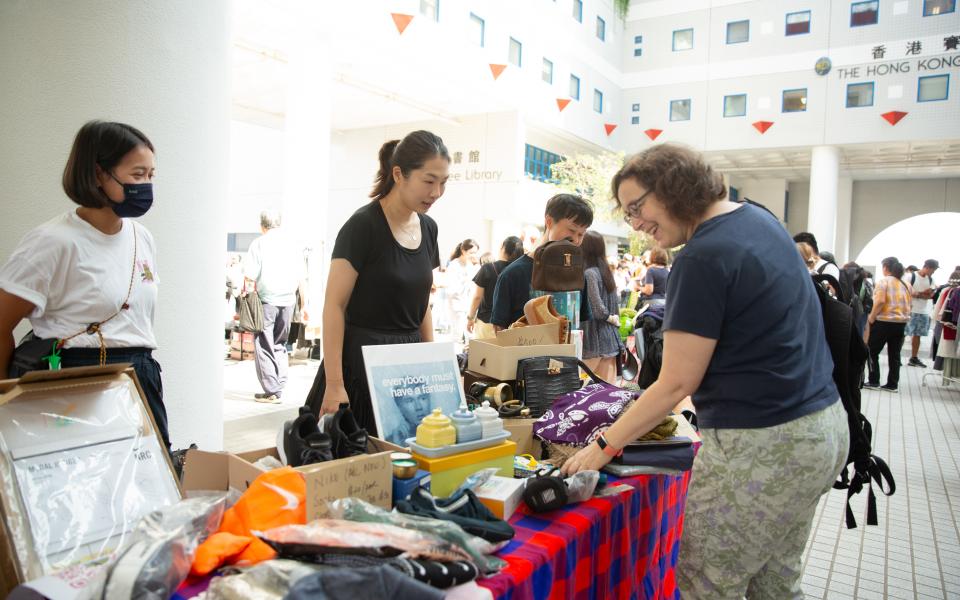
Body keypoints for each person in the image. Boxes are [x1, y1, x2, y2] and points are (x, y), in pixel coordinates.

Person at [561, 144, 847, 600]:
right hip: (819, 430)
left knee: (708, 584)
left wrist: (603, 445)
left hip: (761, 445)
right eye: (628, 212)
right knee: (775, 581)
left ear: (674, 187)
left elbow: (676, 382)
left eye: (638, 207)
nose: (635, 223)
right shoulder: (757, 218)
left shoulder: (703, 255)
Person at [0, 120, 171, 449]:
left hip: (140, 378)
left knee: (148, 486)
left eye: (151, 175)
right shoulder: (52, 242)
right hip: (76, 380)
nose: (147, 185)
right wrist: (7, 401)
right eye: (137, 175)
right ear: (97, 174)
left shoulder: (142, 237)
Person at [304, 131, 450, 434]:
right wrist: (334, 385)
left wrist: (431, 365)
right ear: (399, 174)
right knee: (358, 465)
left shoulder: (429, 228)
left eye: (443, 182)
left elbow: (421, 304)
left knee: (407, 465)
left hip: (407, 366)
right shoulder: (363, 226)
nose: (436, 192)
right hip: (359, 366)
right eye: (429, 180)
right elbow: (334, 305)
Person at [489, 194, 594, 329]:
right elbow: (499, 329)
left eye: (581, 234)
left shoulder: (577, 275)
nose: (576, 240)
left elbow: (581, 324)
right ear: (549, 222)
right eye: (572, 230)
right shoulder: (512, 275)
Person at [243, 209, 307, 404]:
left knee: (263, 344)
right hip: (288, 302)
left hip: (267, 302)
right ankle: (279, 385)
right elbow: (301, 278)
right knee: (280, 344)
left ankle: (272, 390)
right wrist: (304, 305)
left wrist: (245, 299)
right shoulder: (292, 244)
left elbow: (249, 277)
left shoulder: (259, 243)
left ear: (262, 226)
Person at [864, 256, 911, 392]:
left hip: (883, 322)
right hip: (900, 323)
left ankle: (874, 381)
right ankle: (892, 384)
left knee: (872, 351)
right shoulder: (906, 284)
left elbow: (879, 302)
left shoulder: (883, 282)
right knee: (895, 354)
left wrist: (871, 318)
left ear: (885, 267)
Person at [580, 231, 623, 382]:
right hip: (610, 341)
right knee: (609, 392)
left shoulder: (589, 274)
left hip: (594, 343)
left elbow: (597, 310)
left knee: (584, 391)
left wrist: (608, 317)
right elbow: (614, 307)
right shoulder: (606, 273)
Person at [467, 236, 523, 339]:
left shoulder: (487, 268)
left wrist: (470, 318)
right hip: (512, 324)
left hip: (487, 322)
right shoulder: (520, 270)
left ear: (503, 248)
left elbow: (477, 297)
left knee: (483, 353)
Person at [903, 258, 939, 368]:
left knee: (918, 335)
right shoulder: (911, 276)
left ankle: (914, 358)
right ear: (927, 267)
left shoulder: (930, 279)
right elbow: (907, 291)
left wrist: (919, 294)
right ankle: (896, 357)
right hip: (910, 309)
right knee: (903, 334)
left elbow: (931, 295)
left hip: (923, 311)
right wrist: (922, 294)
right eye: (933, 270)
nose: (933, 272)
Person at [443, 239, 479, 344]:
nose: (473, 255)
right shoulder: (454, 265)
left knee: (470, 335)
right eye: (471, 252)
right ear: (463, 250)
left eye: (475, 253)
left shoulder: (471, 266)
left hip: (468, 304)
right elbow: (451, 289)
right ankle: (456, 358)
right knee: (457, 334)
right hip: (456, 305)